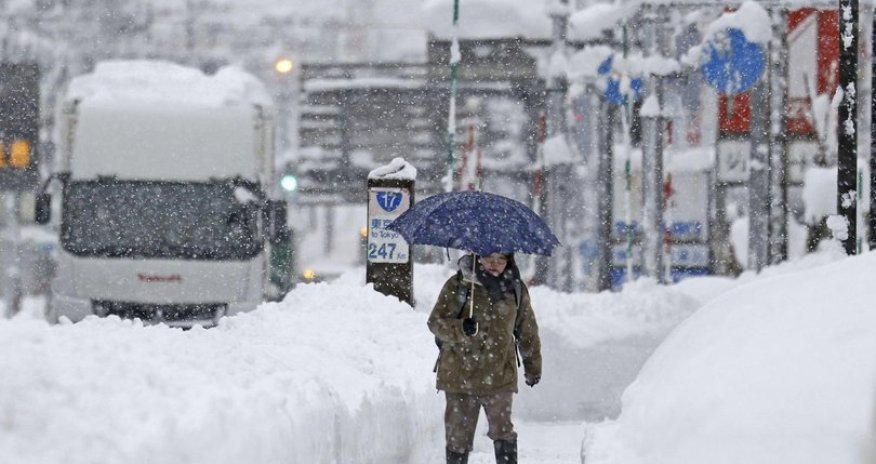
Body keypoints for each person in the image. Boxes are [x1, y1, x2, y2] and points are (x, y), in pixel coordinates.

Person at [428, 252, 542, 464]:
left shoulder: (515, 289)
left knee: (503, 432)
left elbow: (527, 331)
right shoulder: (458, 285)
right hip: (459, 376)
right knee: (457, 438)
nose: (494, 265)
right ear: (477, 257)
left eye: (501, 260)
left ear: (509, 261)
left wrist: (533, 367)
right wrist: (460, 327)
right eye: (489, 258)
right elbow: (435, 322)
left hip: (499, 375)